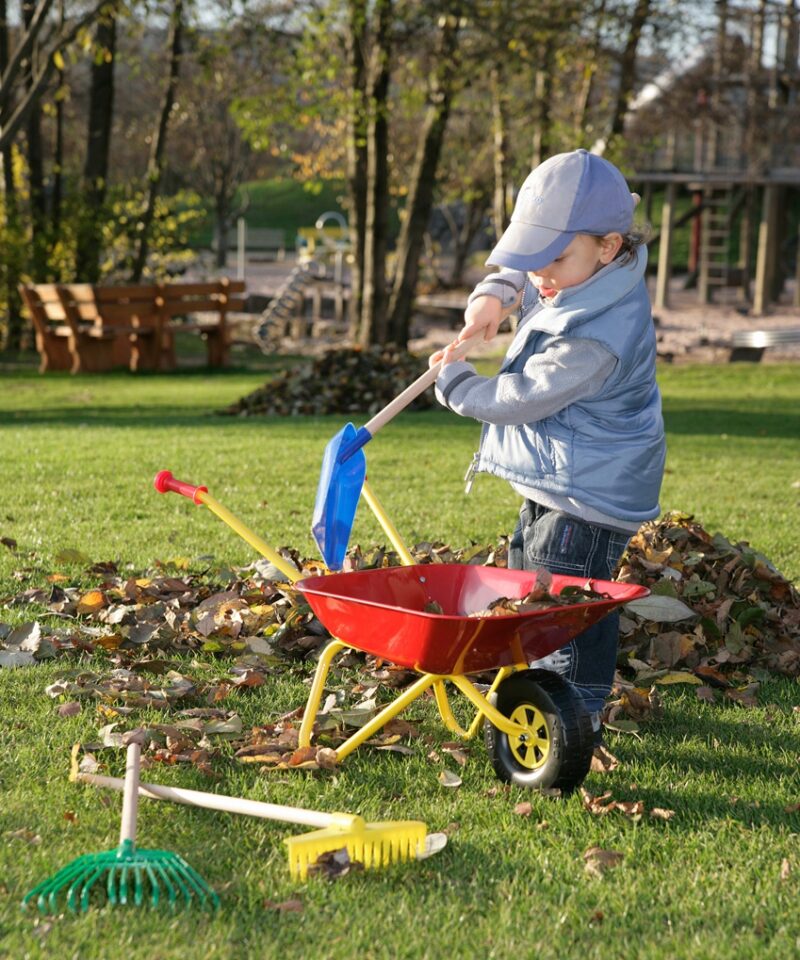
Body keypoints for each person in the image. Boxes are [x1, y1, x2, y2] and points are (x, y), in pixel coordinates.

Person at [432, 148, 666, 744]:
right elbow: (517, 271)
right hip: (561, 474)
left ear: (609, 247)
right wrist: (489, 300)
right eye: (534, 256)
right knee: (529, 572)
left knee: (567, 599)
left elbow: (525, 397)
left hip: (592, 488)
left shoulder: (602, 334)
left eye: (554, 258)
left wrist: (459, 387)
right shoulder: (573, 272)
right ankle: (536, 679)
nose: (540, 275)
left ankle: (575, 713)